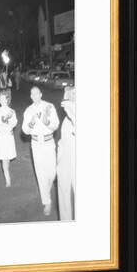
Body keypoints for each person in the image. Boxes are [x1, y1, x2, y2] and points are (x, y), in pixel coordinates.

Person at [22, 86, 60, 215]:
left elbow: (55, 125)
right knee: (41, 173)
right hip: (36, 144)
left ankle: (46, 191)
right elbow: (25, 130)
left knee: (52, 173)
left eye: (37, 93)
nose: (35, 96)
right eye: (32, 94)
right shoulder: (28, 111)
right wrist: (31, 123)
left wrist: (46, 122)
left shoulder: (49, 106)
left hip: (49, 143)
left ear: (41, 94)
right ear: (31, 96)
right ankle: (47, 202)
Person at [57, 86, 76, 221]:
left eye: (73, 95)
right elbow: (62, 141)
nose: (68, 97)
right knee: (63, 193)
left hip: (76, 160)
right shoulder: (66, 120)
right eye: (68, 95)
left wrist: (73, 113)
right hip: (64, 160)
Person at [0, 90, 17, 186]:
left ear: (7, 100)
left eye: (4, 99)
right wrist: (2, 122)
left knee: (8, 157)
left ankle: (7, 172)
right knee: (4, 158)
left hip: (9, 136)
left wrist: (8, 122)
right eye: (1, 99)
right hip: (1, 137)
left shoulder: (11, 111)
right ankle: (7, 178)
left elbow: (14, 123)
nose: (2, 101)